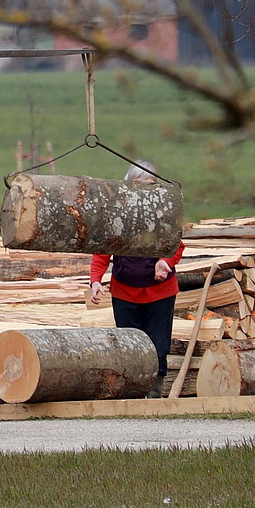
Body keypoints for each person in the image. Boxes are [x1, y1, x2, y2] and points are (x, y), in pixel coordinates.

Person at [88, 161, 185, 397]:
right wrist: (95, 280)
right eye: (139, 185)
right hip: (124, 292)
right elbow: (102, 251)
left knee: (158, 344)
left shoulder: (165, 212)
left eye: (150, 185)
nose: (144, 190)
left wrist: (166, 262)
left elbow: (176, 246)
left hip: (160, 291)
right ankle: (132, 390)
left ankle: (154, 389)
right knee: (129, 345)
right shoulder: (116, 214)